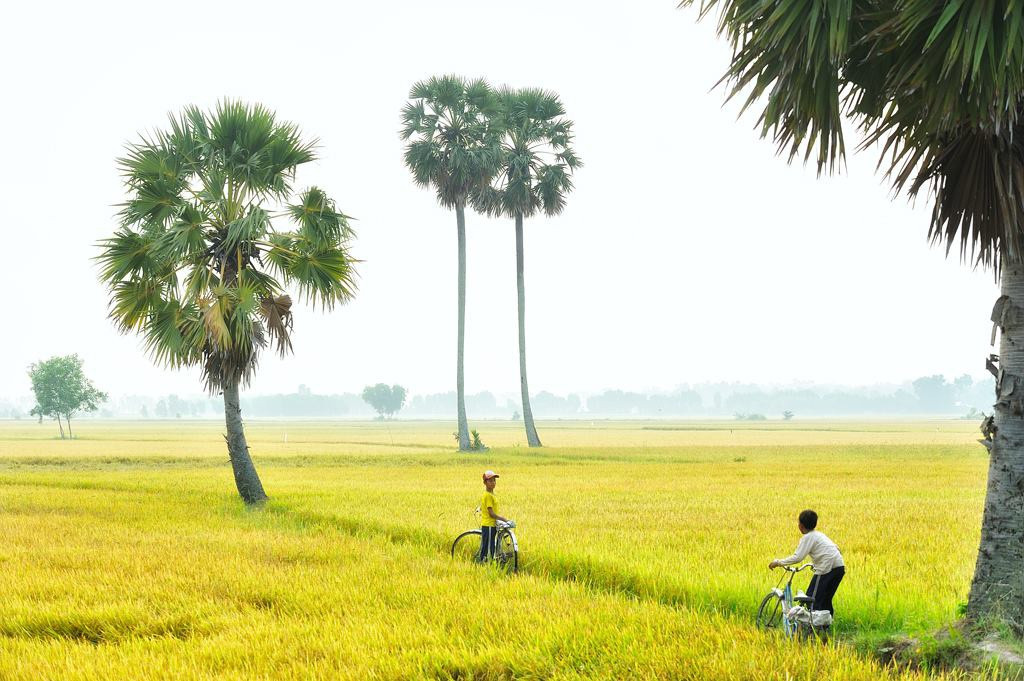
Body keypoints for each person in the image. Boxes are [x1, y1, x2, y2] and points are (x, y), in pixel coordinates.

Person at [769, 509, 845, 617]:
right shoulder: (819, 535)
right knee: (825, 599)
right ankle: (825, 626)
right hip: (839, 567)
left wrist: (778, 562)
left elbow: (798, 557)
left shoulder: (807, 537)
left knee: (811, 599)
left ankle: (811, 629)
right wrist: (819, 563)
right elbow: (836, 548)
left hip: (826, 569)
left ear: (801, 525)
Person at [478, 470, 509, 563]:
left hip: (492, 525)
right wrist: (502, 518)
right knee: (488, 548)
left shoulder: (492, 494)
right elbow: (491, 513)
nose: (493, 483)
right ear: (485, 483)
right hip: (489, 525)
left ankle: (488, 564)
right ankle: (484, 565)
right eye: (490, 481)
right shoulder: (488, 495)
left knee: (490, 545)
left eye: (494, 480)